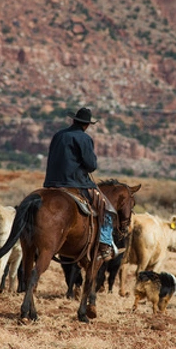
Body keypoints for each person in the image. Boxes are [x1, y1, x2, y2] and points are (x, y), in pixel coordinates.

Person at [43, 107, 118, 261]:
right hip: (75, 182)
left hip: (51, 181)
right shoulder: (84, 139)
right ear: (87, 125)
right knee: (107, 209)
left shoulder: (58, 135)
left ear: (74, 120)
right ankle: (104, 245)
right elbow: (91, 165)